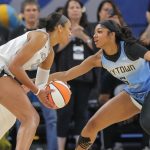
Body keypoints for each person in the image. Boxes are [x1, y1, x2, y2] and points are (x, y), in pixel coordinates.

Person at [48, 19, 150, 150]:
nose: (95, 35)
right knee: (92, 125)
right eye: (94, 32)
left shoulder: (130, 48)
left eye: (100, 31)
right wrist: (35, 82)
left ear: (112, 34)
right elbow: (66, 75)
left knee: (146, 121)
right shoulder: (97, 59)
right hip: (134, 94)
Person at [0, 12, 71, 150]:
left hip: (6, 76)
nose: (70, 33)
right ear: (59, 28)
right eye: (69, 28)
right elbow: (14, 66)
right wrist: (37, 90)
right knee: (31, 118)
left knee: (8, 118)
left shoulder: (49, 54)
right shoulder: (41, 36)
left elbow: (40, 87)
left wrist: (48, 98)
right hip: (3, 71)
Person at [9, 1, 58, 149]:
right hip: (20, 81)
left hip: (40, 80)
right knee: (21, 118)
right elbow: (11, 60)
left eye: (34, 10)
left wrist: (49, 80)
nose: (32, 12)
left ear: (38, 12)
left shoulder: (44, 33)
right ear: (23, 14)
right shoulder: (16, 31)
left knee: (52, 118)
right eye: (28, 10)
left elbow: (50, 57)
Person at [55, 1, 97, 150]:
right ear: (67, 10)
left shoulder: (90, 28)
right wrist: (71, 36)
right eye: (71, 7)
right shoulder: (60, 28)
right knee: (64, 115)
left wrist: (84, 36)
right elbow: (55, 49)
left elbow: (98, 50)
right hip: (65, 79)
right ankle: (60, 148)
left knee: (82, 115)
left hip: (85, 79)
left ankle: (82, 148)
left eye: (77, 7)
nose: (74, 10)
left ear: (82, 10)